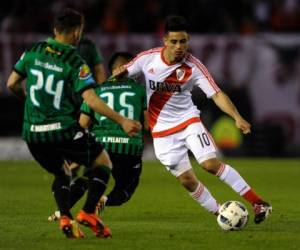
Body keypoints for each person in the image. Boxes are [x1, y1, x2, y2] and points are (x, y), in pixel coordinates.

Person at [113, 16, 272, 224]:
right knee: (187, 181)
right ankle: (221, 215)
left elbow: (216, 94)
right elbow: (122, 74)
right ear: (165, 41)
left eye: (183, 41)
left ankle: (259, 203)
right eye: (174, 42)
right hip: (161, 130)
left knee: (209, 164)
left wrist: (237, 117)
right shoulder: (147, 59)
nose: (179, 47)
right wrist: (118, 75)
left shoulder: (194, 66)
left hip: (188, 122)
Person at [6, 8, 141, 239]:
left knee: (63, 173)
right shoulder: (75, 61)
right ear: (77, 32)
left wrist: (30, 102)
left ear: (55, 29)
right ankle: (88, 213)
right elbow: (91, 100)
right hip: (63, 129)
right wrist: (122, 120)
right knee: (103, 161)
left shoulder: (33, 51)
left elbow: (12, 84)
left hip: (33, 133)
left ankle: (66, 217)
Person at [48, 51, 148, 220]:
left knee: (88, 178)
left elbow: (82, 125)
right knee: (125, 188)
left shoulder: (96, 91)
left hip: (101, 146)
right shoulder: (140, 90)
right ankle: (105, 200)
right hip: (129, 148)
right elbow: (147, 124)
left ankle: (62, 211)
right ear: (127, 68)